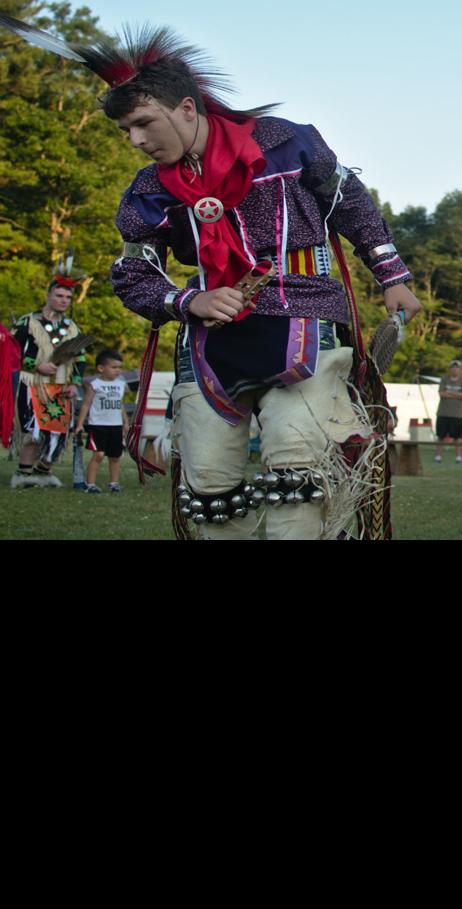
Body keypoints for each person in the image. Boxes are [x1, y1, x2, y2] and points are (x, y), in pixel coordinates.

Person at [0, 16, 423, 538]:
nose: (135, 140)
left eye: (143, 124)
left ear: (184, 107)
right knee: (209, 490)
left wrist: (391, 274)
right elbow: (134, 270)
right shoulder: (150, 190)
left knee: (301, 471)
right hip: (208, 341)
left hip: (305, 320)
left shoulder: (285, 145)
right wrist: (187, 302)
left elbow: (349, 203)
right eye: (125, 130)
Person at [9, 261, 88, 480]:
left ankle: (44, 471)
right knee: (33, 429)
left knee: (58, 430)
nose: (64, 300)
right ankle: (24, 473)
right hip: (32, 383)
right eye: (59, 295)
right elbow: (10, 354)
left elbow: (80, 359)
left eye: (68, 297)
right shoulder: (28, 322)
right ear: (48, 295)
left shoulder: (72, 327)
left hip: (61, 385)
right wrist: (36, 365)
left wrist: (75, 383)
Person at [74, 349, 131, 494]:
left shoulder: (120, 385)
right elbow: (86, 404)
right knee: (98, 454)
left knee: (115, 456)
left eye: (120, 367)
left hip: (115, 425)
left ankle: (114, 483)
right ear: (101, 368)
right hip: (98, 425)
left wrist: (125, 422)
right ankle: (90, 484)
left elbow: (121, 405)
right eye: (114, 367)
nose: (118, 371)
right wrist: (80, 424)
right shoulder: (95, 384)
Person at [435, 361, 462, 464]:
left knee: (457, 437)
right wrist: (457, 395)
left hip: (457, 414)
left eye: (457, 368)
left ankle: (458, 457)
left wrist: (449, 392)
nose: (454, 369)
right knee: (440, 436)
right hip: (443, 413)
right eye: (452, 368)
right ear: (450, 369)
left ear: (460, 369)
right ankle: (438, 457)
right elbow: (441, 394)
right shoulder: (444, 379)